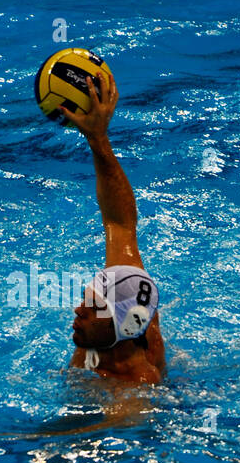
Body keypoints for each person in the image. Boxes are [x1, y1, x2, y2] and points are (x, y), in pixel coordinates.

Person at [58, 70, 166, 385]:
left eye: (92, 308)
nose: (78, 311)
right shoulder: (132, 302)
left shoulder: (133, 385)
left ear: (122, 328)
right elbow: (119, 222)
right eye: (86, 300)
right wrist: (97, 139)